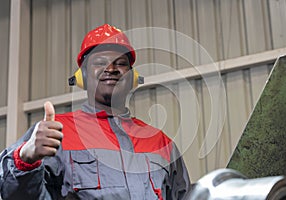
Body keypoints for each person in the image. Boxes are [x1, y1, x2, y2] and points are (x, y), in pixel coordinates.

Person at [0, 24, 190, 200]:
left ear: (132, 77)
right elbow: (14, 195)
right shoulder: (54, 133)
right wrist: (25, 160)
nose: (111, 69)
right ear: (82, 76)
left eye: (121, 63)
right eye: (99, 62)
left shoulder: (161, 142)